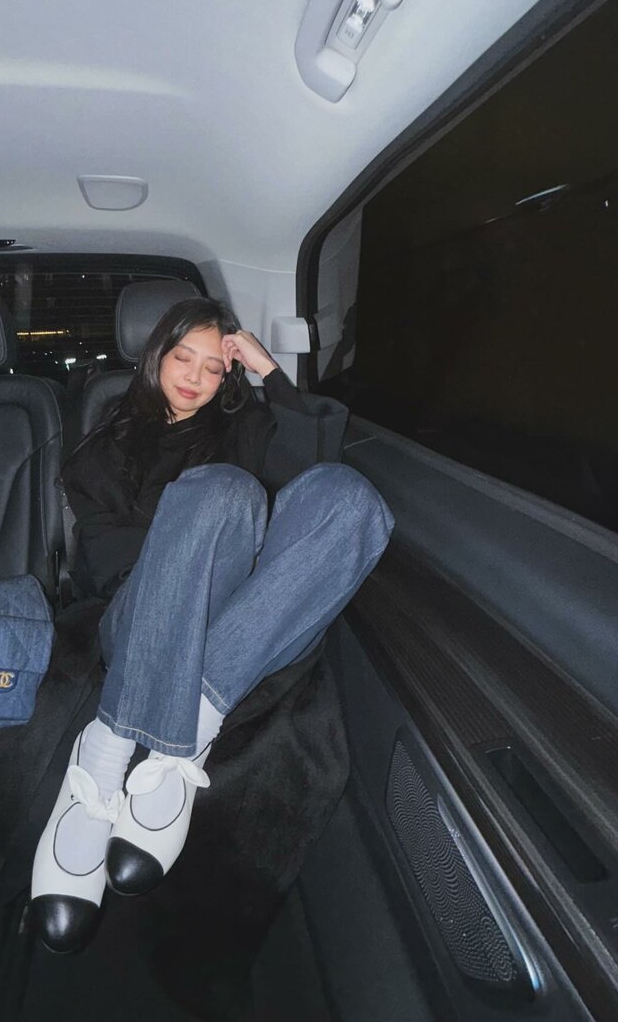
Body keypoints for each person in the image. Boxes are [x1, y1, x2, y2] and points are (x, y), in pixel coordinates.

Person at [31, 298, 394, 953]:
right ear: (156, 358)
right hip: (141, 611)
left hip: (240, 619)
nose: (195, 377)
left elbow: (315, 468)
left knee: (352, 500)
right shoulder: (105, 447)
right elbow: (108, 567)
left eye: (212, 366)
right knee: (221, 491)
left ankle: (182, 741)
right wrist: (192, 553)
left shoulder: (244, 424)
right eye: (182, 358)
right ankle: (104, 758)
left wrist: (267, 371)